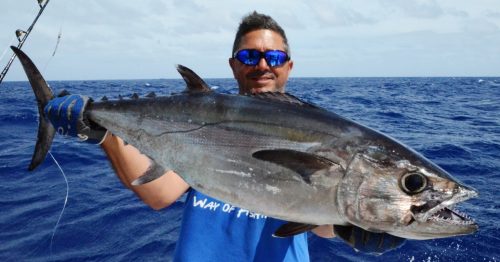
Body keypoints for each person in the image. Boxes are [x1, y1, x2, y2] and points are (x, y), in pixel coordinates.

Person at [44, 11, 404, 261]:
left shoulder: (324, 131)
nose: (262, 65)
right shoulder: (202, 118)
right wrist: (101, 132)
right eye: (250, 55)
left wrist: (353, 228)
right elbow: (159, 194)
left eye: (274, 57)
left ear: (289, 66)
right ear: (233, 64)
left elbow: (323, 222)